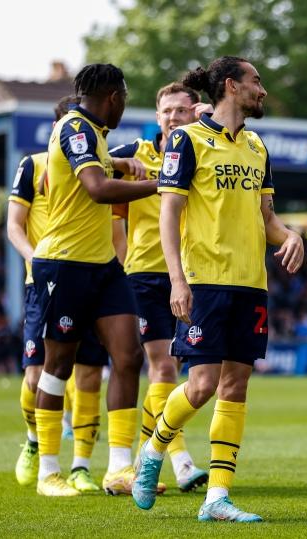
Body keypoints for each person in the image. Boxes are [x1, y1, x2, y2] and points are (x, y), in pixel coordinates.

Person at [132, 56, 304, 523]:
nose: (263, 90)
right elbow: (169, 214)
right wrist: (177, 280)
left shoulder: (256, 146)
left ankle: (217, 498)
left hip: (251, 284)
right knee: (202, 384)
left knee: (236, 386)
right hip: (204, 282)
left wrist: (289, 236)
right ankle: (153, 450)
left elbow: (266, 219)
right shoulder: (187, 141)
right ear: (231, 86)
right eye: (256, 81)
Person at [30, 64, 158, 497]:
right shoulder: (76, 128)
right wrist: (161, 185)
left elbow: (99, 168)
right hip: (64, 265)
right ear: (113, 95)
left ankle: (119, 469)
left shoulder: (94, 134)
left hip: (102, 265)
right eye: (124, 96)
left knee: (128, 356)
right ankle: (49, 471)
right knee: (58, 368)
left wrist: (121, 160)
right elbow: (98, 189)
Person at [8, 95, 116, 493]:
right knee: (38, 373)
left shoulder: (100, 161)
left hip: (89, 274)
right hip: (47, 278)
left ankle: (81, 466)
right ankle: (35, 443)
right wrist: (34, 260)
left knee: (88, 372)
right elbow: (14, 225)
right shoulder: (33, 165)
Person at [109, 82, 214, 492]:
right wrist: (119, 167)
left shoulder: (202, 149)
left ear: (194, 112)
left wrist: (210, 122)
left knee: (199, 377)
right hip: (147, 278)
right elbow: (91, 170)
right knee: (164, 366)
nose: (173, 117)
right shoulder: (133, 154)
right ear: (156, 117)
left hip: (195, 275)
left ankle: (145, 457)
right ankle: (181, 461)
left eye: (181, 110)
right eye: (166, 111)